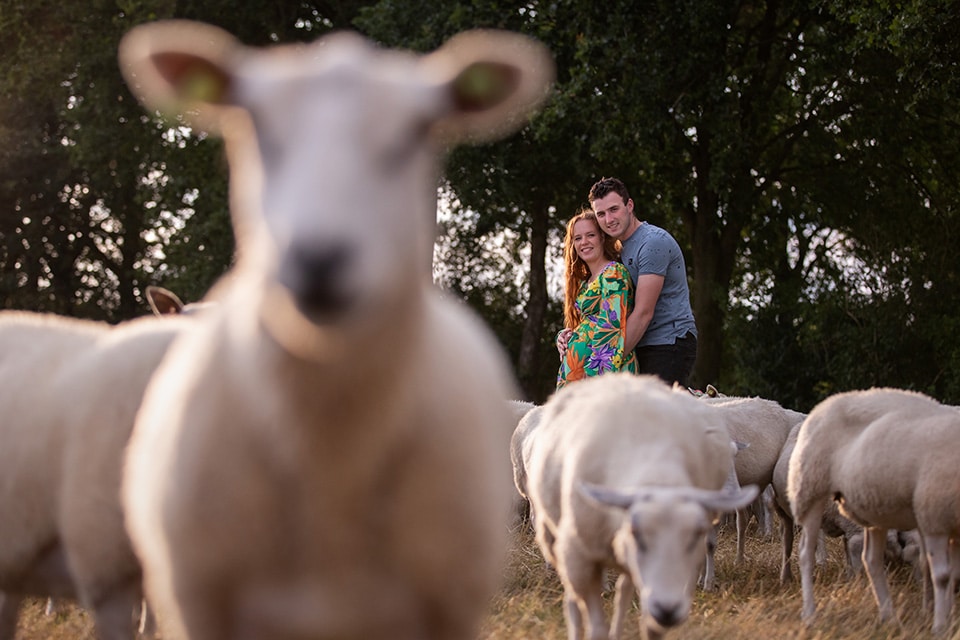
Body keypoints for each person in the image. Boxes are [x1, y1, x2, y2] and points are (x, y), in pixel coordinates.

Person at [587, 176, 698, 386]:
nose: (608, 219)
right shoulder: (618, 248)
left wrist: (608, 364)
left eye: (614, 209)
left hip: (668, 343)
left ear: (629, 205)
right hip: (640, 344)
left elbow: (643, 313)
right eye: (601, 214)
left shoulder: (652, 242)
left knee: (656, 417)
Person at [556, 208, 638, 388]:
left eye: (590, 235)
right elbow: (587, 326)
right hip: (579, 376)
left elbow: (611, 325)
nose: (584, 242)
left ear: (602, 237)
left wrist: (595, 376)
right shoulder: (586, 284)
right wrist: (565, 337)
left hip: (601, 377)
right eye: (578, 238)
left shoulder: (613, 273)